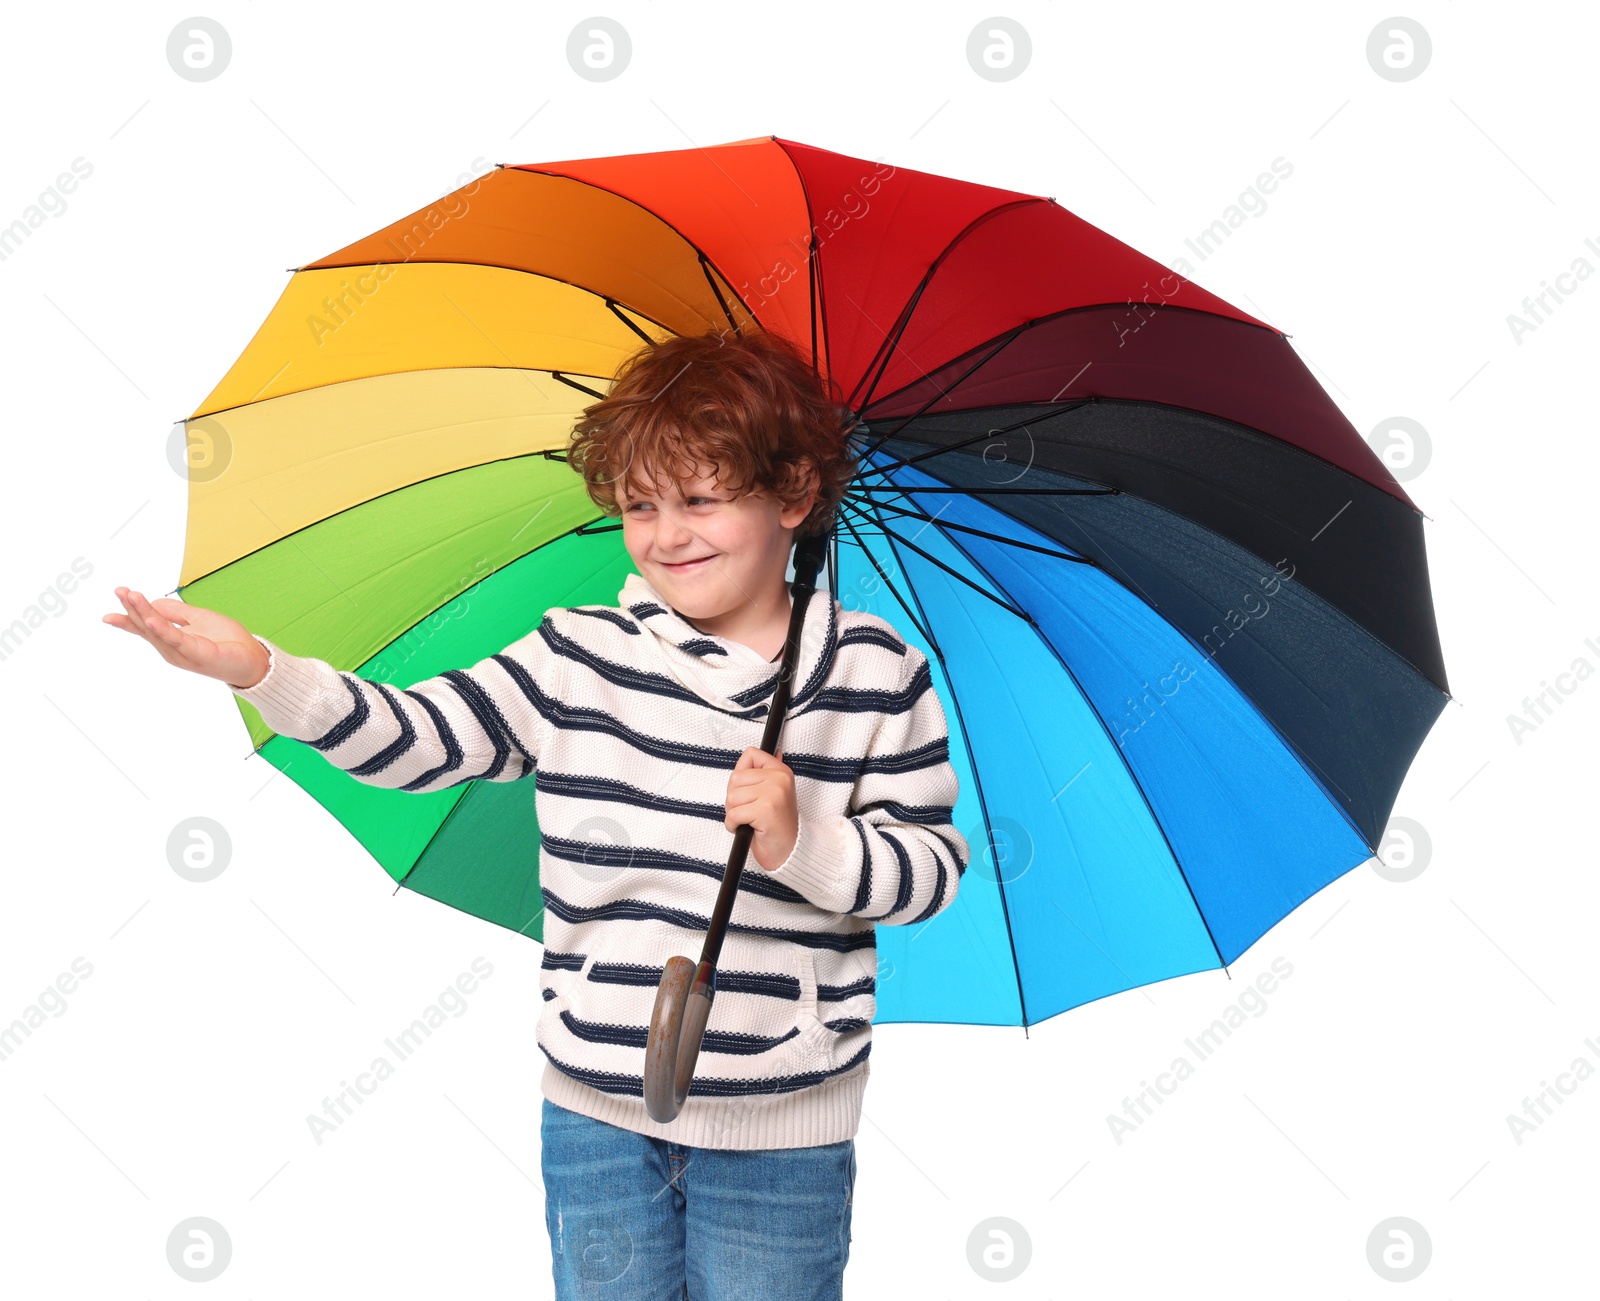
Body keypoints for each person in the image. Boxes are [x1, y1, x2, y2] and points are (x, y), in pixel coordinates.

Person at [104, 327, 968, 1300]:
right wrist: (265, 670)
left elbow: (929, 867)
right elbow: (422, 734)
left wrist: (801, 837)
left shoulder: (872, 671)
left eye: (700, 498)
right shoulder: (581, 654)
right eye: (640, 504)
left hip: (786, 1120)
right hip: (597, 1101)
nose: (665, 533)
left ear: (794, 495)